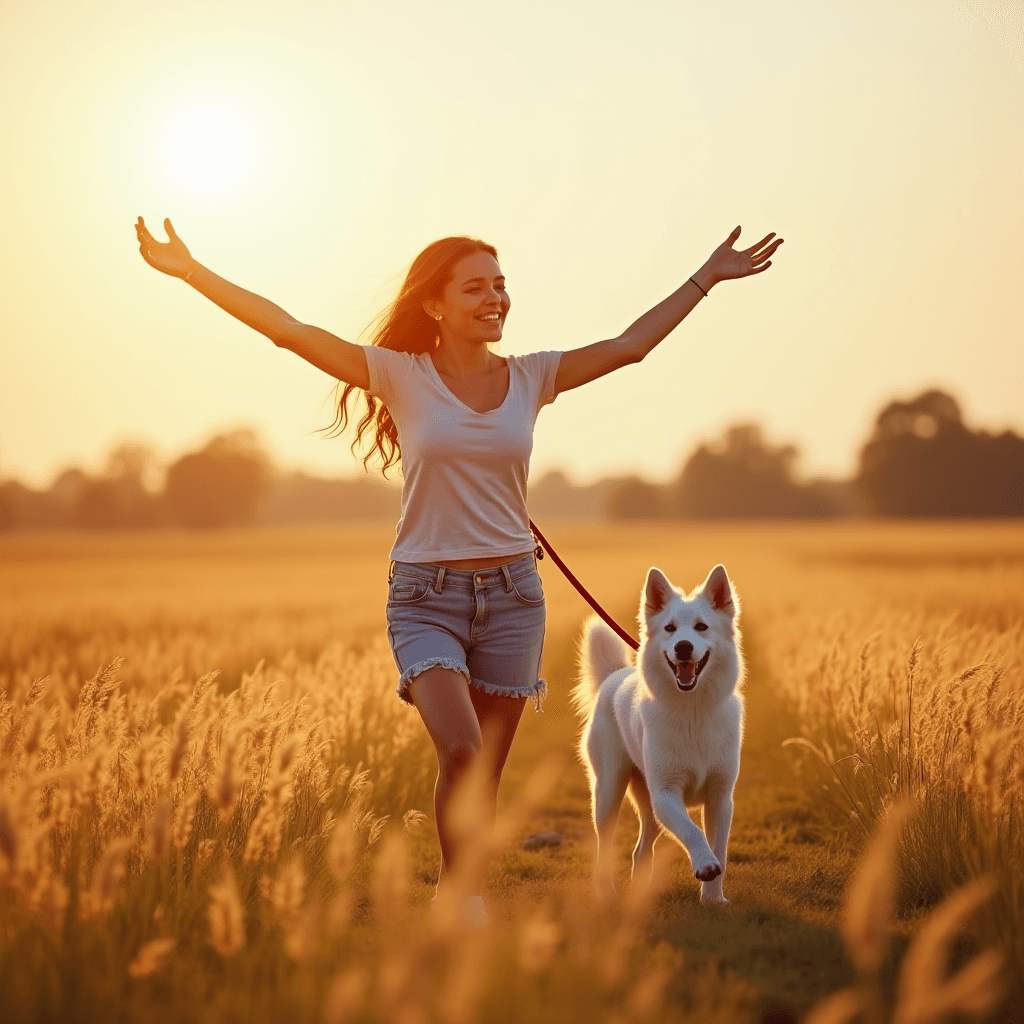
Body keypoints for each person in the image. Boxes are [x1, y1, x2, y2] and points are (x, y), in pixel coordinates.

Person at [134, 217, 782, 922]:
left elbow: (629, 347)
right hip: (425, 597)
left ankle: (457, 884)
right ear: (435, 304)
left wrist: (705, 278)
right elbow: (289, 331)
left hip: (512, 597)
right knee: (464, 749)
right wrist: (192, 272)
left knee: (486, 770)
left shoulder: (532, 376)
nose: (495, 299)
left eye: (501, 286)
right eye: (476, 287)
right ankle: (462, 893)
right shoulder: (399, 375)